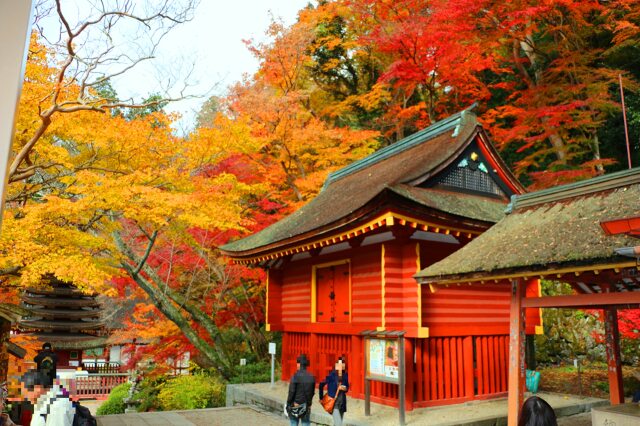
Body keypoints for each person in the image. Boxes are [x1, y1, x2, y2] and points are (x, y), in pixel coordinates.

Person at [319, 356, 349, 426]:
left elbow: (347, 387)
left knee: (338, 423)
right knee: (338, 424)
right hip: (334, 403)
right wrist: (321, 397)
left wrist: (345, 388)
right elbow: (321, 385)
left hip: (342, 403)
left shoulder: (345, 375)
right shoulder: (332, 375)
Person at [286, 354, 315, 426]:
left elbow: (291, 392)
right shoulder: (311, 377)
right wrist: (309, 404)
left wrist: (289, 403)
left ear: (299, 364)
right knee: (305, 423)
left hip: (296, 404)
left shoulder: (295, 376)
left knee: (294, 423)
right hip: (306, 406)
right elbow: (312, 393)